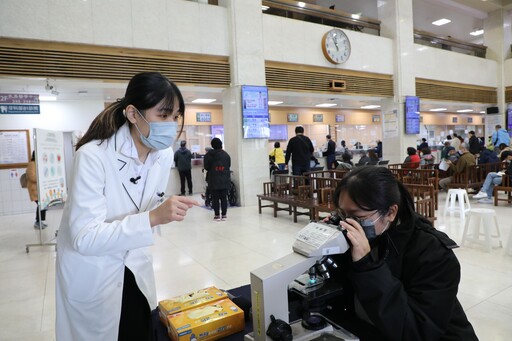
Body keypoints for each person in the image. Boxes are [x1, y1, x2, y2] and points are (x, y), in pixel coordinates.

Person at [55, 72, 199, 341]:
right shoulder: (93, 156)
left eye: (176, 116)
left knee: (139, 327)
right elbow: (84, 238)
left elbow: (148, 201)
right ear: (133, 114)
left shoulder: (163, 155)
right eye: (163, 115)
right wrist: (153, 218)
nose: (172, 124)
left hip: (133, 263)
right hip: (93, 269)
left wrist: (158, 213)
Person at [324, 166, 478, 340]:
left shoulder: (434, 254)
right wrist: (330, 246)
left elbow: (416, 331)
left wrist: (367, 266)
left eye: (357, 217)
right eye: (343, 214)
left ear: (390, 212)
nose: (348, 223)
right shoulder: (367, 233)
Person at [203, 137, 231, 222]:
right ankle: (224, 215)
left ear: (212, 145)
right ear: (221, 144)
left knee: (215, 198)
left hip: (213, 179)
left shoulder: (208, 155)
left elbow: (206, 167)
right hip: (224, 179)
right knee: (224, 198)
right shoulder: (226, 155)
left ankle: (217, 215)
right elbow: (228, 165)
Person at [26, 150, 47, 229]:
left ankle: (40, 221)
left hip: (39, 188)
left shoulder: (38, 163)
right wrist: (42, 179)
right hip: (34, 189)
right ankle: (38, 222)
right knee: (41, 204)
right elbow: (32, 177)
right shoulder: (32, 164)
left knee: (42, 204)